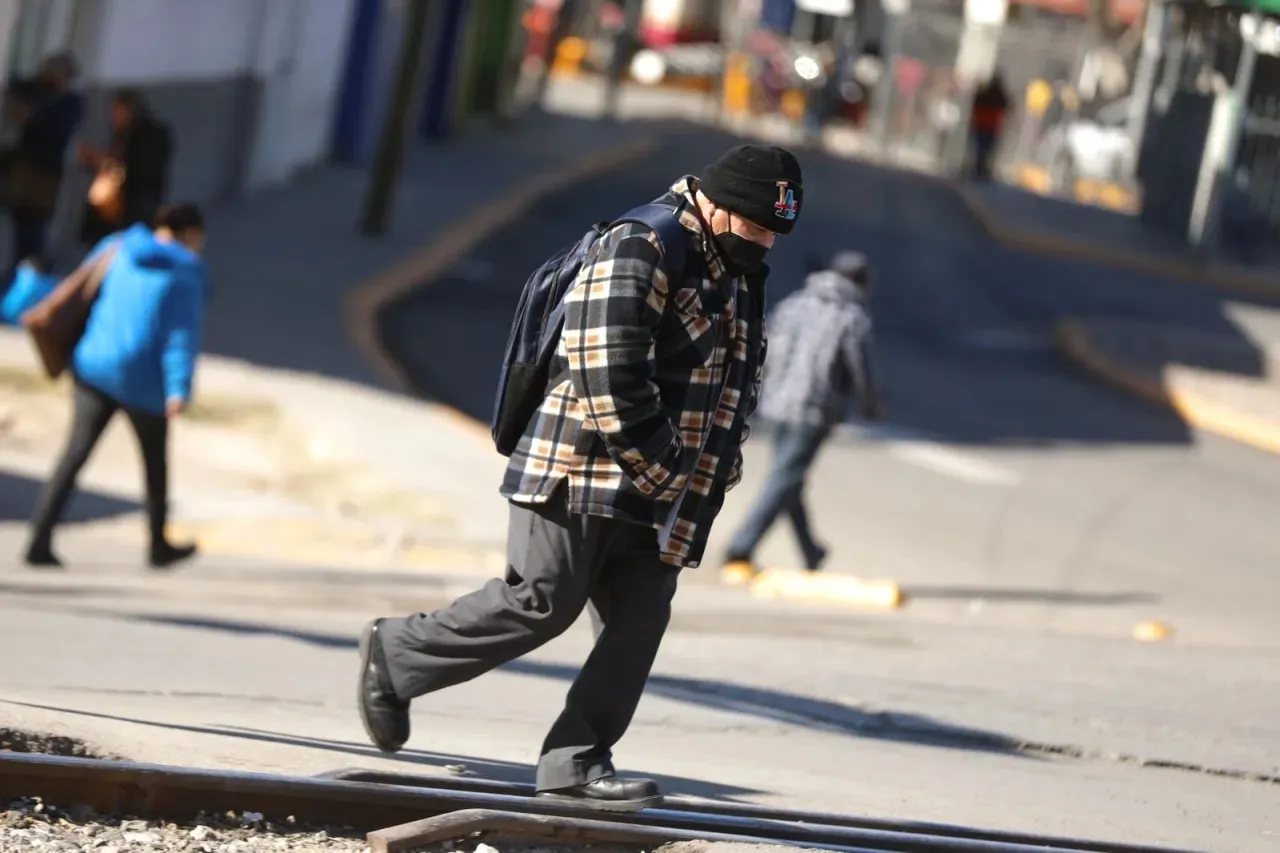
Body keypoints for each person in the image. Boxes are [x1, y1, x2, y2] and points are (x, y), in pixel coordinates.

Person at [357, 145, 803, 810]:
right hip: (577, 466)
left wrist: (716, 466)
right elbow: (605, 366)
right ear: (716, 204)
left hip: (661, 488)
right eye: (755, 228)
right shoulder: (645, 243)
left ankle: (577, 761)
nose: (763, 245)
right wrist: (661, 463)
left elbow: (736, 380)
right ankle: (396, 654)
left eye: (774, 234)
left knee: (640, 618)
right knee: (541, 601)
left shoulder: (736, 269)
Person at [25, 204, 207, 570]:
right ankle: (158, 545)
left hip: (94, 367)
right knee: (155, 464)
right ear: (189, 234)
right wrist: (178, 389)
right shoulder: (187, 273)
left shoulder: (118, 245)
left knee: (74, 455)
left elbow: (84, 288)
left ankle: (39, 539)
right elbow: (180, 337)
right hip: (145, 383)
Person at [722, 251, 881, 577]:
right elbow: (859, 368)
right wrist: (869, 406)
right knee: (785, 477)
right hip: (813, 410)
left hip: (776, 404)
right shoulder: (851, 316)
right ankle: (741, 545)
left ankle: (810, 549)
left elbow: (761, 344)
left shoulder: (795, 304)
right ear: (860, 283)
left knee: (788, 475)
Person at [4, 53, 86, 274]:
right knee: (24, 233)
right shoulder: (41, 92)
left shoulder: (69, 103)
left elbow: (49, 127)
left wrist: (32, 114)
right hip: (23, 179)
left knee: (31, 238)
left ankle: (24, 280)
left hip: (41, 183)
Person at [77, 88, 173, 247]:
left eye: (118, 110)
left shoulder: (150, 136)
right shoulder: (121, 134)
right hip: (111, 210)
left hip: (135, 207)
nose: (114, 115)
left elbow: (140, 168)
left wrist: (105, 163)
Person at [969, 74, 1009, 181]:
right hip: (990, 125)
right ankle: (981, 167)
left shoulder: (986, 93)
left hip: (984, 124)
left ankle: (980, 167)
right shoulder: (998, 95)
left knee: (982, 148)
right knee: (986, 148)